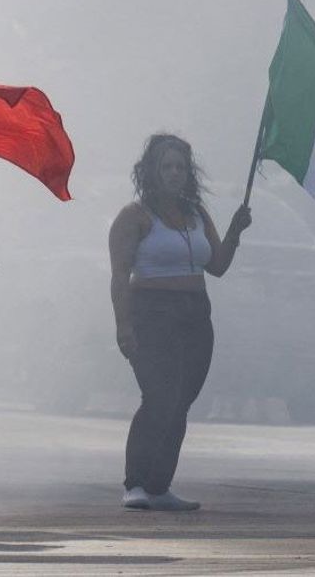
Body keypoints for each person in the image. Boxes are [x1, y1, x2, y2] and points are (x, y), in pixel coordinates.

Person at [108, 134, 251, 511]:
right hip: (152, 313)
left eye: (180, 167)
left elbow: (216, 266)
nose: (174, 173)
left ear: (189, 173)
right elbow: (119, 275)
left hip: (194, 314)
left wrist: (235, 231)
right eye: (166, 166)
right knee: (159, 397)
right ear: (152, 171)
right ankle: (135, 482)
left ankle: (159, 485)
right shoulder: (134, 217)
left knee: (182, 401)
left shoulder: (196, 215)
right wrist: (123, 325)